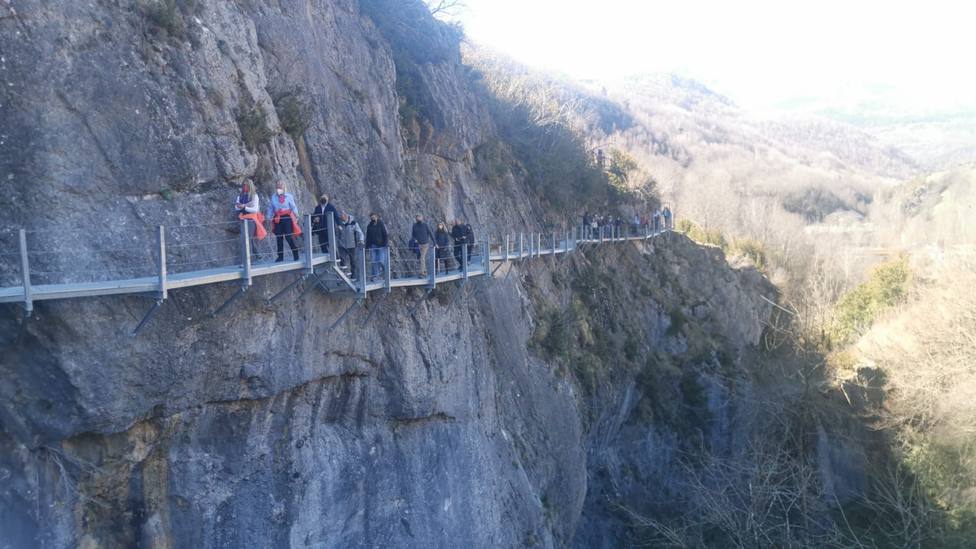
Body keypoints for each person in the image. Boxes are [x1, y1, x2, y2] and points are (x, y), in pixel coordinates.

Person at [265, 181, 301, 262]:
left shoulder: (288, 196)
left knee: (288, 237)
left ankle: (295, 252)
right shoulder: (274, 197)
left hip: (287, 217)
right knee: (279, 237)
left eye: (281, 185)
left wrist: (296, 214)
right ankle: (280, 256)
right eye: (278, 185)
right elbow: (271, 208)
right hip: (277, 218)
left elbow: (293, 206)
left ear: (284, 186)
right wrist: (268, 217)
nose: (279, 186)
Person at [336, 212, 364, 280]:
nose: (341, 218)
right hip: (342, 245)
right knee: (342, 260)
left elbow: (360, 232)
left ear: (346, 216)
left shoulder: (353, 223)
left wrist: (361, 239)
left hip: (352, 245)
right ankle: (343, 277)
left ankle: (353, 276)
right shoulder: (339, 223)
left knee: (353, 261)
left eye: (342, 217)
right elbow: (336, 233)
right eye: (340, 217)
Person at [364, 212, 388, 281]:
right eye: (371, 217)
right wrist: (367, 247)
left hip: (381, 246)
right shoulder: (369, 226)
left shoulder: (381, 224)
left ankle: (385, 272)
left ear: (376, 216)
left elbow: (385, 234)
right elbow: (368, 237)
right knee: (374, 261)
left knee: (381, 260)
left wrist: (385, 243)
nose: (372, 218)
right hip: (373, 246)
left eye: (373, 217)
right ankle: (376, 276)